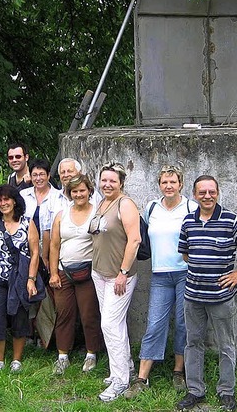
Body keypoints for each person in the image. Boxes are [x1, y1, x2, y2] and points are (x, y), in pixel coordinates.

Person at [176, 175, 237, 412]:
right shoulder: (188, 221)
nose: (207, 196)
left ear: (217, 193)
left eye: (211, 192)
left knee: (225, 345)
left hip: (221, 297)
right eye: (202, 192)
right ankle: (195, 391)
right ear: (195, 195)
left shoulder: (231, 220)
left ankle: (226, 391)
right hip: (193, 296)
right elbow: (186, 254)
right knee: (193, 342)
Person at [125, 165, 198, 399]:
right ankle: (141, 378)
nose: (168, 186)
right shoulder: (152, 208)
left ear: (181, 184)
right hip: (159, 275)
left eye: (173, 182)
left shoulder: (191, 207)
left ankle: (179, 371)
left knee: (182, 324)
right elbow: (140, 232)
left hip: (185, 273)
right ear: (159, 185)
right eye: (164, 182)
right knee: (155, 323)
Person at [90, 161, 141, 402]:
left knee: (110, 325)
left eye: (113, 180)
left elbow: (134, 240)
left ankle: (120, 382)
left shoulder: (125, 204)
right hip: (99, 273)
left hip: (119, 277)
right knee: (113, 325)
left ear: (121, 183)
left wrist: (123, 272)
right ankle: (124, 368)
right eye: (104, 180)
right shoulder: (102, 203)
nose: (107, 184)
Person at [0, 184, 39, 373]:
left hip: (20, 279)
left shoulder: (27, 223)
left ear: (15, 201)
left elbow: (35, 252)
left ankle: (16, 360)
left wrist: (30, 279)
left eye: (7, 199)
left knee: (19, 318)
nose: (3, 203)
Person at [49, 174, 102, 375]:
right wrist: (53, 272)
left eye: (82, 190)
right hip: (64, 271)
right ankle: (62, 356)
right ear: (69, 193)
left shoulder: (97, 213)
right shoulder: (61, 215)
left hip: (88, 271)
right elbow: (54, 245)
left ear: (89, 191)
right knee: (63, 313)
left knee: (89, 314)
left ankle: (91, 354)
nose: (78, 194)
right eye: (74, 191)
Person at [20, 159, 68, 266]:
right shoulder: (23, 196)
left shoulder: (59, 198)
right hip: (26, 250)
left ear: (48, 175)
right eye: (35, 175)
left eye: (42, 174)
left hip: (53, 250)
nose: (38, 178)